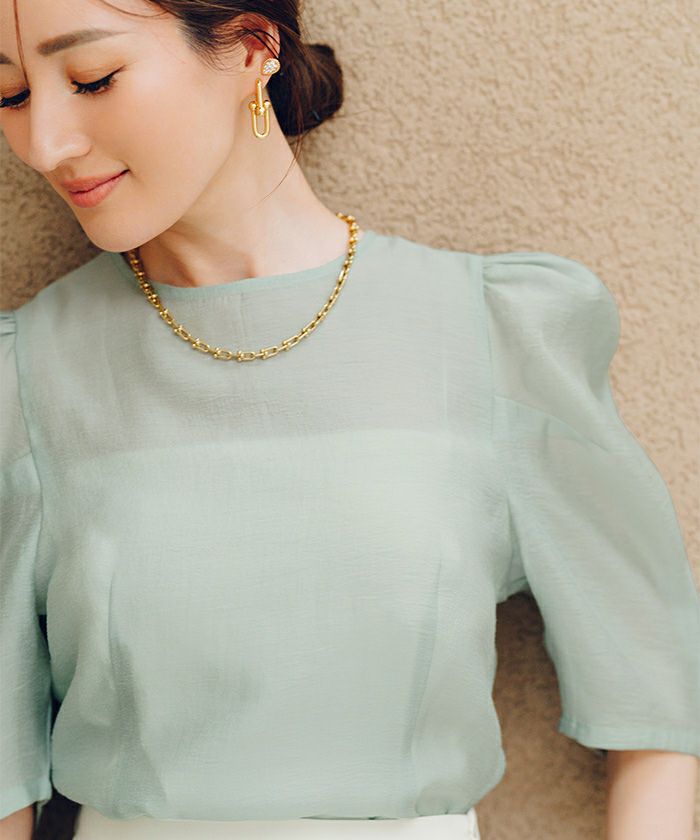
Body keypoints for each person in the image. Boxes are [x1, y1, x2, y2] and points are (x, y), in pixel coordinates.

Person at [0, 1, 698, 839]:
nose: (44, 144)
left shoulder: (494, 333)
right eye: (10, 96)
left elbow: (655, 691)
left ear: (251, 48)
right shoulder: (26, 376)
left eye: (92, 79)